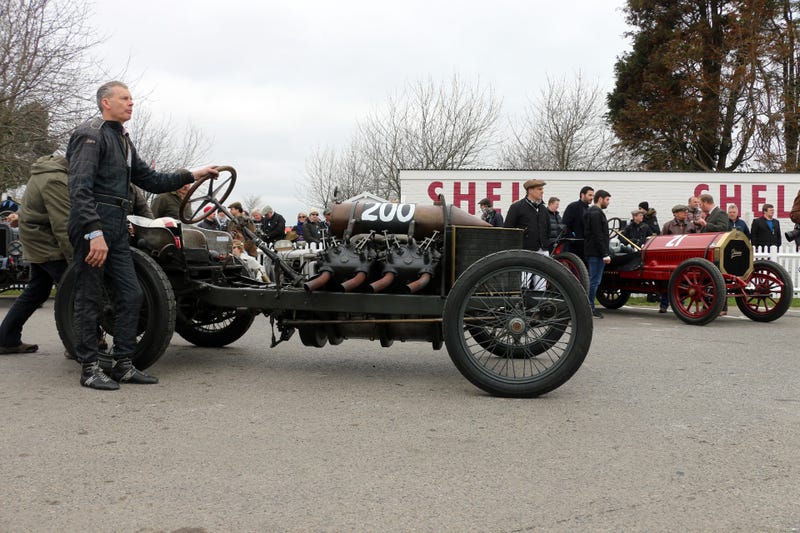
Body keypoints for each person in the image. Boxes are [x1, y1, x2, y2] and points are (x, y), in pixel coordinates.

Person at [67, 80, 218, 390]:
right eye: (124, 98)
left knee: (131, 293)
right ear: (106, 102)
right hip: (93, 222)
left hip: (118, 223)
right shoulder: (91, 135)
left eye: (132, 98)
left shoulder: (122, 140)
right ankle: (90, 367)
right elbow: (79, 188)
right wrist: (94, 232)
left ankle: (123, 363)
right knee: (90, 296)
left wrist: (193, 174)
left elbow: (150, 179)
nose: (131, 103)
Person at [0, 155, 72, 354]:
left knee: (37, 290)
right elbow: (62, 224)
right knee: (73, 289)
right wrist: (75, 260)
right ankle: (77, 342)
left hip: (36, 240)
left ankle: (6, 338)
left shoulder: (43, 172)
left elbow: (35, 208)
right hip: (47, 243)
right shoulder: (55, 179)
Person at [658, 204, 696, 312]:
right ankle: (664, 305)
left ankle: (680, 305)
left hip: (686, 257)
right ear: (675, 213)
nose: (685, 213)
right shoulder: (668, 226)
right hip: (671, 258)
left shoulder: (691, 226)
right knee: (667, 282)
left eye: (686, 211)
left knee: (683, 283)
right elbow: (662, 241)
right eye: (682, 212)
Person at [584, 190, 612, 318]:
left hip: (595, 252)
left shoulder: (594, 212)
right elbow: (598, 235)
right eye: (607, 200)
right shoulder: (595, 213)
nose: (608, 202)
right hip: (596, 253)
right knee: (594, 281)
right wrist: (604, 253)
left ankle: (589, 306)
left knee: (594, 280)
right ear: (600, 199)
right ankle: (589, 307)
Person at [504, 179, 550, 255]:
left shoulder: (543, 208)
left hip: (543, 250)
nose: (542, 191)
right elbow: (508, 230)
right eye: (539, 189)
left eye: (542, 189)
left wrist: (546, 244)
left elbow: (548, 229)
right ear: (530, 190)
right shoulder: (516, 207)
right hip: (524, 250)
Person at [561, 186, 594, 262]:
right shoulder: (573, 207)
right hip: (572, 248)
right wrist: (573, 239)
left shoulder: (589, 209)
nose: (592, 198)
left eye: (593, 196)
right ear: (582, 195)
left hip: (584, 249)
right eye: (590, 195)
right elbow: (564, 225)